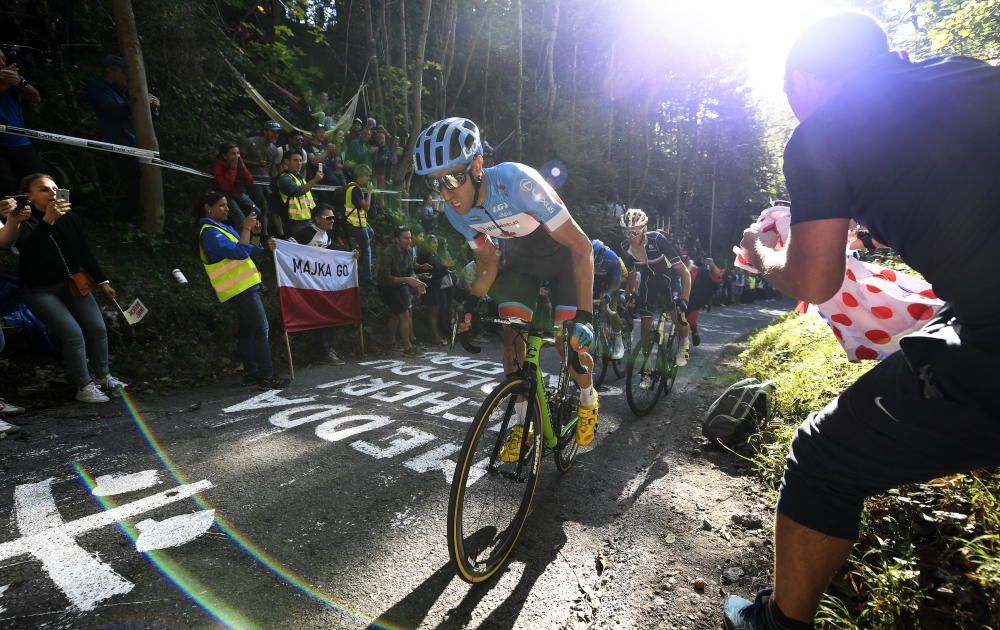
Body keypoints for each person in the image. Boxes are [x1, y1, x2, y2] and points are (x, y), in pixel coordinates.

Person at [723, 12, 1000, 630]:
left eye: (793, 95)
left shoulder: (822, 135)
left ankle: (776, 623)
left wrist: (761, 253)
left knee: (822, 456)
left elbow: (813, 281)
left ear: (809, 79)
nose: (796, 112)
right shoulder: (968, 73)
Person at [411, 117, 599, 450]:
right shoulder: (457, 211)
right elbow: (488, 261)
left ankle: (587, 398)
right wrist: (471, 303)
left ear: (478, 165)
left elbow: (581, 246)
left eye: (453, 177)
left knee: (566, 346)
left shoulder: (517, 182)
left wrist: (584, 316)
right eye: (435, 183)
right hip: (520, 263)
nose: (447, 193)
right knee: (513, 339)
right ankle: (521, 425)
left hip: (561, 260)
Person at [11, 174, 126, 403]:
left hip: (72, 282)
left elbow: (83, 251)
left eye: (55, 188)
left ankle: (103, 377)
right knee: (73, 335)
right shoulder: (20, 222)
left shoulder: (70, 218)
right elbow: (30, 252)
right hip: (40, 289)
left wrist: (103, 282)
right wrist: (48, 221)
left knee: (97, 328)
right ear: (28, 196)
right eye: (44, 190)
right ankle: (84, 386)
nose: (52, 193)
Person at [197, 191, 289, 389]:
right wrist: (246, 228)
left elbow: (249, 249)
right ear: (208, 208)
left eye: (226, 205)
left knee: (248, 332)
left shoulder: (222, 228)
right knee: (260, 330)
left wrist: (255, 234)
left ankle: (252, 373)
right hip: (240, 289)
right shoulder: (210, 233)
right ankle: (267, 374)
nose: (226, 209)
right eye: (221, 205)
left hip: (242, 287)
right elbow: (239, 252)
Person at [619, 208, 691, 376]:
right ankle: (648, 367)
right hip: (648, 282)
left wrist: (684, 300)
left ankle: (684, 343)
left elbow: (684, 273)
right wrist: (632, 293)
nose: (630, 236)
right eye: (626, 232)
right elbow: (631, 274)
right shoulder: (625, 246)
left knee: (677, 316)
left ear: (644, 229)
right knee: (645, 327)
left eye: (635, 232)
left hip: (669, 280)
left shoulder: (658, 240)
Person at [87, 55, 160, 220]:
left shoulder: (124, 91)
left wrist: (153, 107)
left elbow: (145, 118)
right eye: (123, 72)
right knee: (132, 181)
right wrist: (139, 101)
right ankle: (123, 218)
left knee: (138, 180)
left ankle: (129, 215)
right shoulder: (98, 87)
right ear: (111, 71)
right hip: (118, 142)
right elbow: (113, 111)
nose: (126, 77)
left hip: (134, 141)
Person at [288, 203, 352, 364]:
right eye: (328, 218)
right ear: (317, 218)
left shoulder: (326, 236)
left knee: (332, 314)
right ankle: (325, 352)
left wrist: (350, 256)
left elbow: (333, 254)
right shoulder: (307, 232)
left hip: (323, 284)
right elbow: (288, 245)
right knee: (320, 317)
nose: (332, 221)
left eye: (333, 218)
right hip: (308, 285)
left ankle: (327, 349)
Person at [377, 225, 428, 356]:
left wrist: (418, 283)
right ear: (396, 239)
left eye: (410, 238)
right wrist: (407, 279)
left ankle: (391, 343)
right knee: (404, 314)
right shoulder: (387, 254)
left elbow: (411, 271)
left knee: (396, 313)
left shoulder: (409, 251)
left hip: (401, 285)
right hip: (387, 288)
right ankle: (408, 348)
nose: (409, 240)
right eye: (406, 238)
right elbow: (385, 279)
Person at [0, 48, 44, 196]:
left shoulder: (14, 79)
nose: (1, 63)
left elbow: (35, 97)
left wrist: (19, 82)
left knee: (39, 182)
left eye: (3, 59)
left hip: (20, 141)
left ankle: (50, 217)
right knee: (8, 188)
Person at [211, 142, 264, 232]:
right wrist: (233, 168)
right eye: (233, 154)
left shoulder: (239, 161)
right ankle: (241, 242)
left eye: (238, 153)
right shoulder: (218, 164)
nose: (237, 156)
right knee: (240, 219)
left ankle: (253, 237)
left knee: (256, 211)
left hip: (238, 193)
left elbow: (250, 180)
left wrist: (242, 167)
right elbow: (225, 187)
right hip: (224, 194)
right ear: (224, 155)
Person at [591, 239, 627, 360]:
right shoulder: (584, 255)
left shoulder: (612, 259)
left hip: (612, 280)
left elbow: (616, 282)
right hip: (596, 280)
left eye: (597, 264)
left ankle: (618, 342)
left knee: (610, 309)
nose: (595, 266)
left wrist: (609, 293)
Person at [275, 151, 323, 234]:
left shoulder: (300, 178)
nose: (299, 163)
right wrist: (315, 180)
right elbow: (297, 192)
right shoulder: (284, 178)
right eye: (295, 160)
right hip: (294, 222)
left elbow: (307, 199)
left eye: (300, 161)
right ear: (287, 162)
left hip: (307, 219)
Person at [342, 164, 375, 285]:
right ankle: (367, 276)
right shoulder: (355, 189)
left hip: (357, 221)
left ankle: (359, 250)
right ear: (360, 177)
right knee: (367, 249)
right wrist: (370, 192)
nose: (368, 179)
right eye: (367, 176)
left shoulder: (350, 186)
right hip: (357, 224)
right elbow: (366, 207)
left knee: (371, 233)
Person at [685, 256, 723, 346]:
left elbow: (717, 276)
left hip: (693, 300)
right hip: (678, 297)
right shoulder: (675, 270)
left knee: (692, 320)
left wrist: (712, 265)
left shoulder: (699, 271)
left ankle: (694, 333)